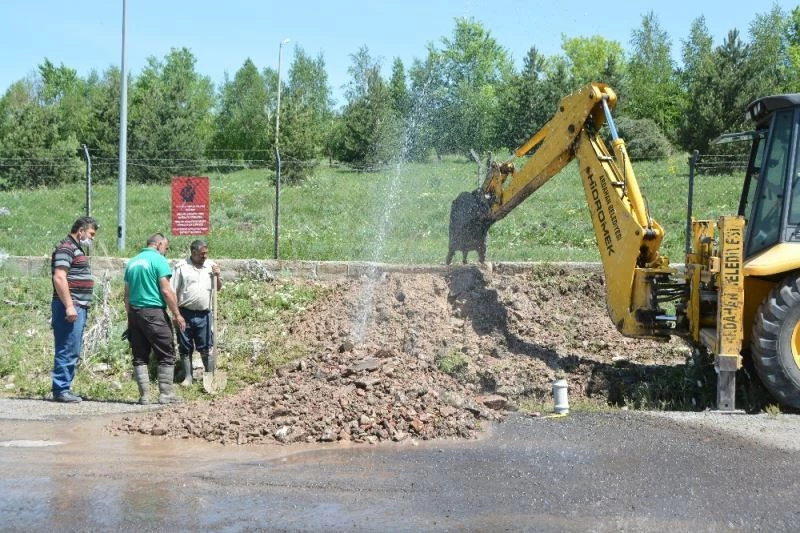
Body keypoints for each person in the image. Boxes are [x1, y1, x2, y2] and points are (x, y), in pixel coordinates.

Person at [123, 233, 186, 404]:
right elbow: (166, 291)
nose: (165, 250)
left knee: (139, 355)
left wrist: (131, 318)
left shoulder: (132, 262)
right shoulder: (158, 260)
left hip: (135, 313)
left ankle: (144, 396)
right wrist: (177, 314)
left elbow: (126, 296)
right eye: (165, 246)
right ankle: (166, 394)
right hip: (153, 312)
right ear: (158, 244)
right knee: (166, 351)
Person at [50, 216, 99, 403]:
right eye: (91, 234)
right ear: (81, 231)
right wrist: (70, 306)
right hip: (70, 306)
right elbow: (59, 278)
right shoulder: (66, 248)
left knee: (72, 347)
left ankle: (64, 387)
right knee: (68, 347)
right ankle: (61, 389)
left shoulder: (75, 249)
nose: (92, 239)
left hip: (78, 305)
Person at [171, 239, 222, 386]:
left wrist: (217, 276)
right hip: (184, 313)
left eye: (206, 253)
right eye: (202, 254)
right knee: (185, 346)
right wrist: (176, 314)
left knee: (206, 346)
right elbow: (172, 292)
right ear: (193, 253)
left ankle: (210, 377)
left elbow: (218, 288)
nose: (205, 256)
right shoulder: (181, 267)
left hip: (204, 314)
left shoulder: (211, 266)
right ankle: (188, 377)